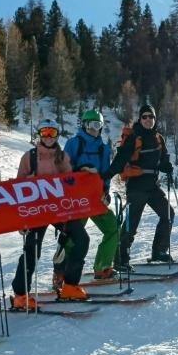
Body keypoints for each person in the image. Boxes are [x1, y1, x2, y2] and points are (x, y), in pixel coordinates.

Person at [10, 119, 90, 309]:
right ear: (39, 135)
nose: (48, 137)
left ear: (57, 135)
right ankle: (20, 295)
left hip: (59, 210)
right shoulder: (29, 157)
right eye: (45, 132)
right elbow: (18, 187)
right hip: (36, 212)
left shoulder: (62, 157)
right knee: (31, 250)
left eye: (52, 133)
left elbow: (70, 182)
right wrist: (21, 219)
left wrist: (83, 175)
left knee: (81, 239)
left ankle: (70, 285)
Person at [103, 103, 175, 269]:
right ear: (140, 119)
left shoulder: (158, 138)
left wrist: (166, 166)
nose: (148, 119)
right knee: (131, 223)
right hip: (136, 187)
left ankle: (159, 251)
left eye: (151, 116)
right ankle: (120, 260)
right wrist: (107, 175)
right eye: (144, 117)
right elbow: (121, 159)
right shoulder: (134, 137)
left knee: (168, 214)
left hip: (152, 186)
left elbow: (163, 158)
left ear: (155, 119)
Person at [53, 108, 119, 286]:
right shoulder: (74, 143)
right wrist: (79, 171)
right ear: (84, 125)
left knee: (112, 227)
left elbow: (105, 173)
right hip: (77, 199)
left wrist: (106, 192)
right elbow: (63, 169)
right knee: (72, 236)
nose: (94, 129)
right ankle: (60, 272)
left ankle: (102, 267)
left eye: (98, 125)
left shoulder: (104, 149)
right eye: (90, 125)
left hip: (95, 198)